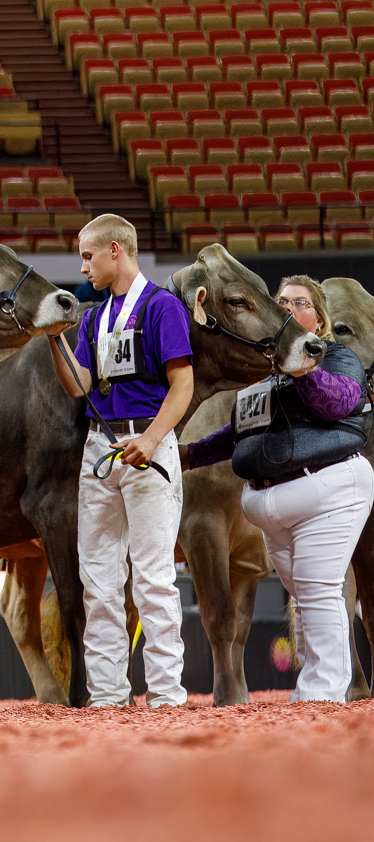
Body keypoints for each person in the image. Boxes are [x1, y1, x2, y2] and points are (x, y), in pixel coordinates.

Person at [182, 276, 371, 702]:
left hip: (325, 487)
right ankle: (314, 692)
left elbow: (339, 402)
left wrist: (302, 364)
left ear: (319, 319)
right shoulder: (266, 376)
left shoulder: (337, 357)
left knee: (318, 591)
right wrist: (190, 455)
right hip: (274, 500)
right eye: (280, 300)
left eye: (299, 302)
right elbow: (240, 433)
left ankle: (324, 694)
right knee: (304, 596)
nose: (286, 306)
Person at [48, 214, 192, 708]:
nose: (82, 267)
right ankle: (107, 695)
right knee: (99, 579)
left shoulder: (161, 306)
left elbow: (183, 384)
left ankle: (167, 695)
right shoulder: (93, 319)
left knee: (153, 577)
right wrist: (53, 338)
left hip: (148, 444)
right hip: (101, 447)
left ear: (115, 249)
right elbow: (78, 386)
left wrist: (152, 439)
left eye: (88, 256)